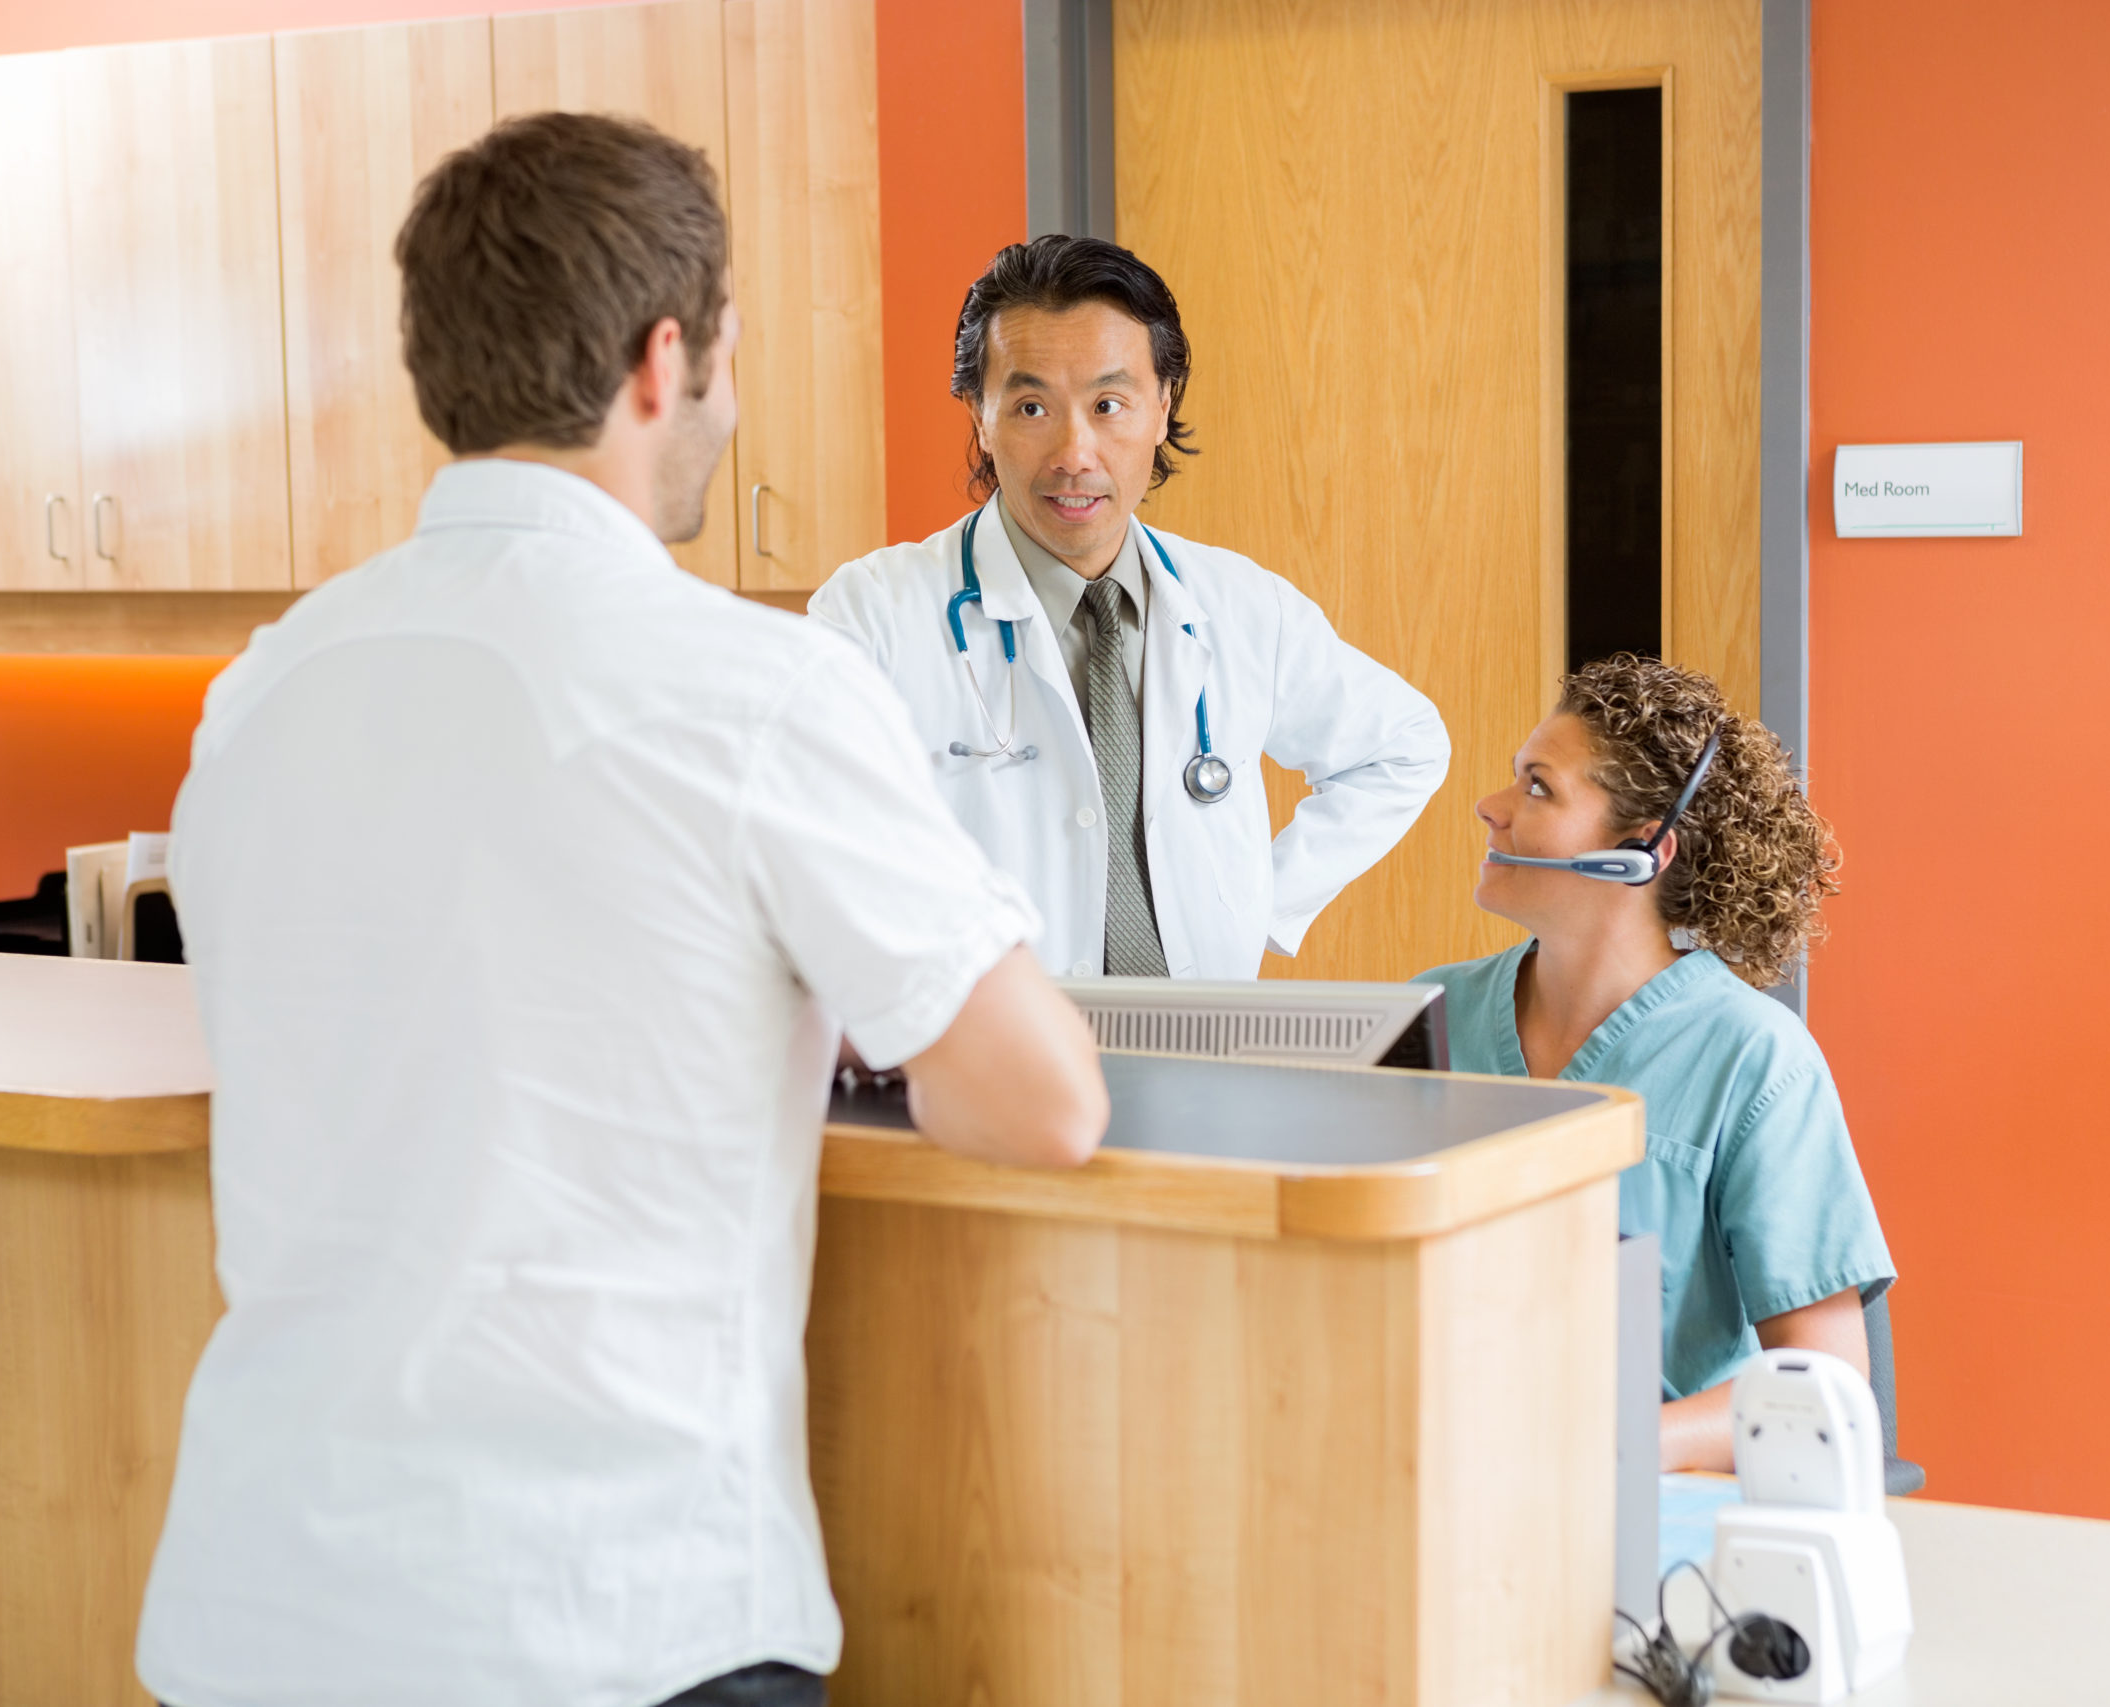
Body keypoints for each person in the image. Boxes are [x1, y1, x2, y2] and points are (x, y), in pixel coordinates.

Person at [135, 113, 1107, 1707]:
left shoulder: (263, 690)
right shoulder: (755, 686)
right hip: (602, 1624)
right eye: (724, 353)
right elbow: (1042, 1097)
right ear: (666, 361)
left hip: (259, 1616)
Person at [810, 236, 1449, 980]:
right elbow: (808, 836)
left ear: (1162, 405)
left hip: (1204, 1057)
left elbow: (1404, 744)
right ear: (978, 415)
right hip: (997, 1057)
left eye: (1109, 404)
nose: (1075, 452)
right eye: (1030, 405)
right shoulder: (874, 613)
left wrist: (1262, 904)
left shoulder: (1241, 606)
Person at [1414, 653, 1894, 1473]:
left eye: (1539, 787)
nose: (1489, 808)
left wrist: (1612, 1446)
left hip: (1654, 1513)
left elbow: (1829, 1386)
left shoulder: (1752, 1058)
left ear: (1640, 849)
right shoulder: (1434, 1015)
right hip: (1448, 1476)